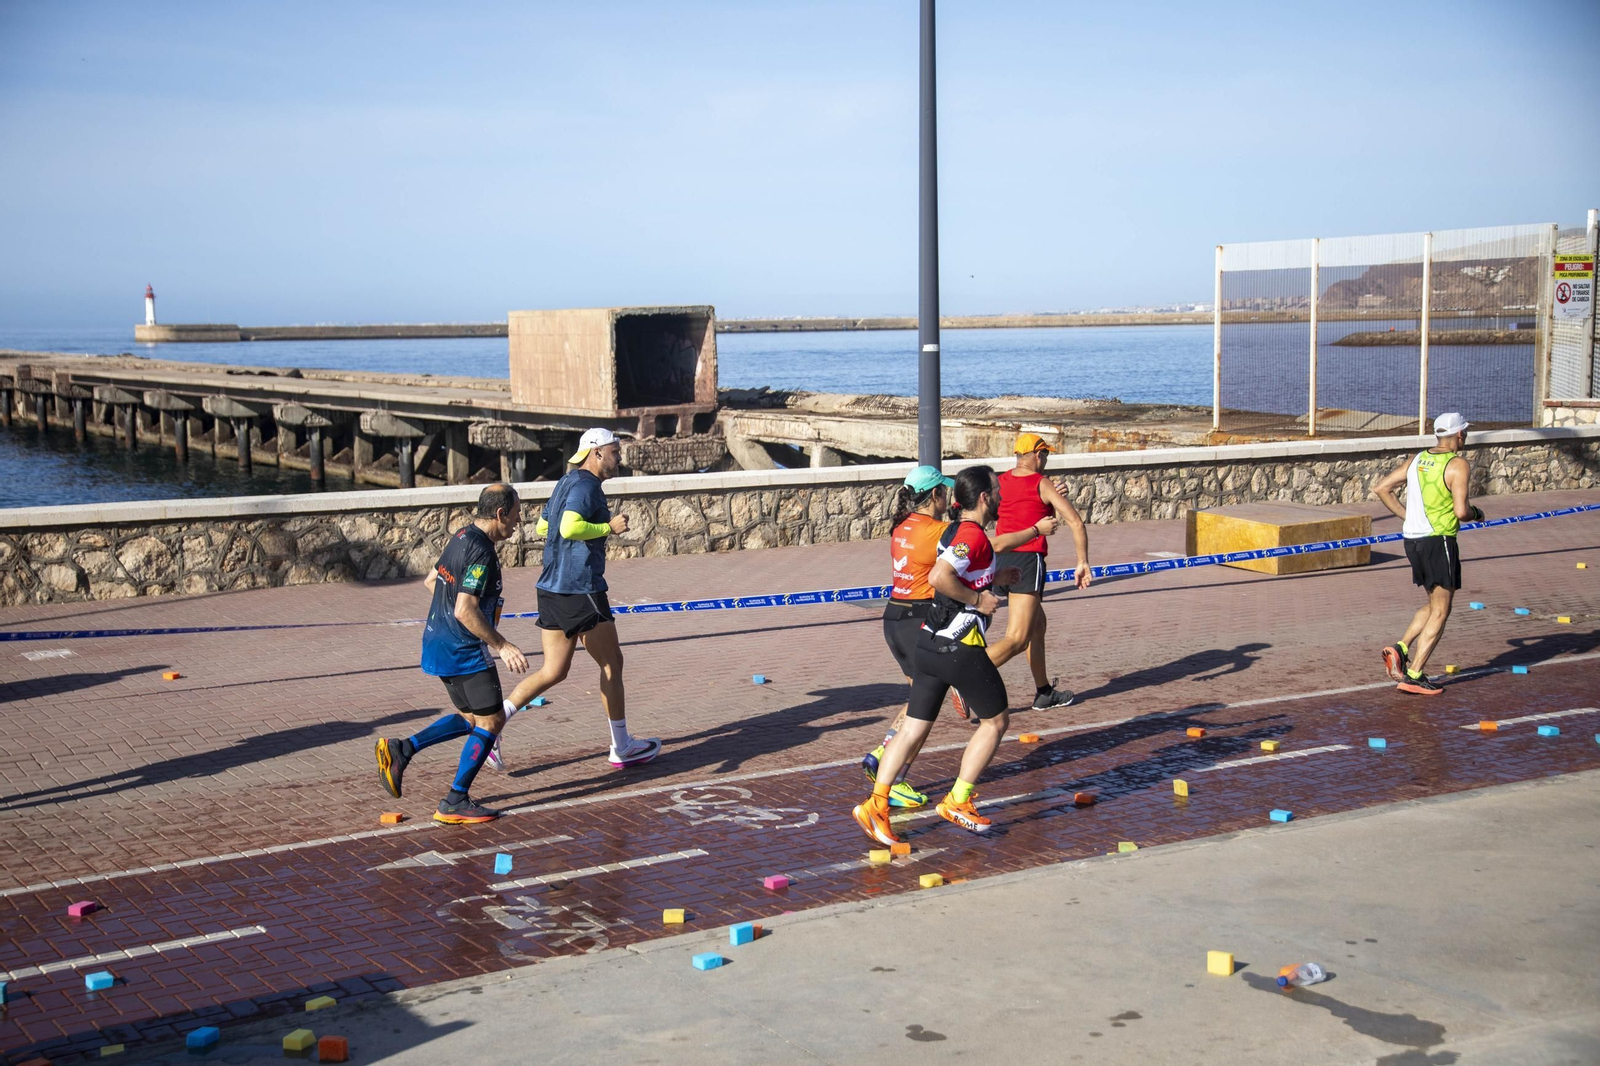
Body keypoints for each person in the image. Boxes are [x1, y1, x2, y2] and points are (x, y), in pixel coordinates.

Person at [862, 464, 1056, 807]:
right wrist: (1033, 531)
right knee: (929, 712)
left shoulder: (902, 527)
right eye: (944, 491)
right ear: (935, 495)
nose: (948, 498)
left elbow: (973, 563)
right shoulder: (938, 531)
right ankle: (891, 766)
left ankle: (883, 777)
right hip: (924, 620)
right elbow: (983, 545)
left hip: (894, 616)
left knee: (918, 702)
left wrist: (993, 579)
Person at [491, 427, 661, 769]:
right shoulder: (585, 486)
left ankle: (490, 730)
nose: (619, 457)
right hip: (581, 588)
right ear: (596, 453)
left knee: (553, 671)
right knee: (612, 662)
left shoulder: (565, 482)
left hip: (550, 588)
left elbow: (544, 528)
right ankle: (622, 745)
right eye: (615, 451)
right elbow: (568, 528)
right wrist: (606, 528)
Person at [375, 483, 527, 825]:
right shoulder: (482, 552)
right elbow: (464, 609)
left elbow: (433, 580)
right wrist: (502, 646)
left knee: (472, 719)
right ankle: (455, 801)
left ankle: (403, 749)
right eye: (516, 515)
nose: (519, 522)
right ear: (500, 513)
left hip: (439, 643)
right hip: (463, 649)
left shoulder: (462, 535)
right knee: (492, 721)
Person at [978, 433, 1090, 713]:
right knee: (1017, 638)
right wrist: (1082, 562)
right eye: (1046, 456)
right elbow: (1075, 522)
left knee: (1037, 626)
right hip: (1028, 560)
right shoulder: (1042, 483)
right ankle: (967, 675)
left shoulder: (999, 483)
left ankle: (1043, 693)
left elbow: (1007, 508)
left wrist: (1049, 496)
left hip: (1000, 557)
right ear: (1037, 456)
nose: (1046, 461)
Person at [1374, 412, 1483, 696]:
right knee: (1442, 611)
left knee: (1434, 601)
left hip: (1413, 541)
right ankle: (1414, 675)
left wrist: (1407, 517)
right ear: (1460, 435)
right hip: (1440, 541)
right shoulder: (1457, 464)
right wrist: (1477, 514)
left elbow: (1381, 488)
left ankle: (1401, 647)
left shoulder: (1417, 459)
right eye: (1465, 433)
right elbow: (1461, 511)